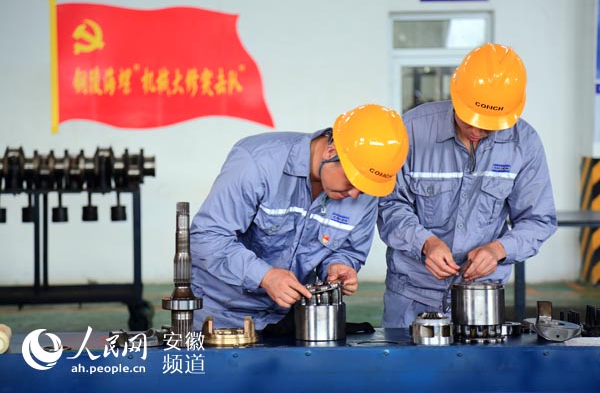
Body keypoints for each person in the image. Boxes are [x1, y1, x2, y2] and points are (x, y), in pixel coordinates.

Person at [377, 43, 558, 328]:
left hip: (482, 296)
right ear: (456, 94)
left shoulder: (524, 143)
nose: (476, 131)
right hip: (411, 294)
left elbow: (538, 220)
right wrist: (424, 242)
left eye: (488, 125)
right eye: (470, 118)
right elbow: (389, 204)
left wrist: (498, 249)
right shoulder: (411, 130)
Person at [190, 104, 409, 330]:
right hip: (221, 315)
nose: (355, 194)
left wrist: (338, 265)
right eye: (352, 181)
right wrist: (265, 276)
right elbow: (207, 237)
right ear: (331, 152)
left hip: (291, 318)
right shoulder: (257, 163)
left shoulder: (365, 192)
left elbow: (349, 250)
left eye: (364, 189)